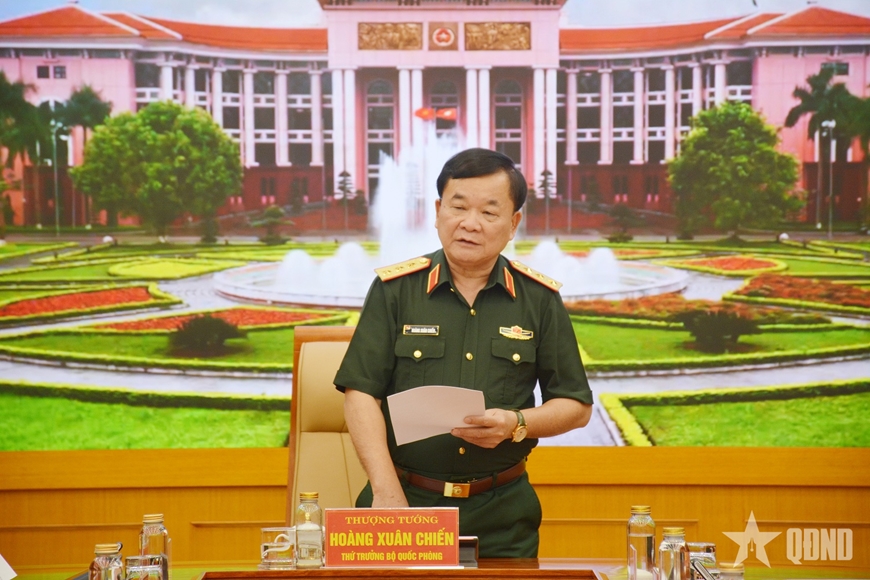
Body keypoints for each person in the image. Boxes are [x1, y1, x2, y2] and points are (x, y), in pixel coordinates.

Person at [334, 148, 593, 558]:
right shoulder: (394, 290)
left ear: (513, 224)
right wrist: (386, 492)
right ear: (438, 212)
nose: (470, 223)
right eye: (458, 207)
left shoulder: (539, 299)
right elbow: (360, 393)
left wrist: (517, 423)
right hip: (405, 501)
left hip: (502, 515)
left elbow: (576, 406)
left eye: (489, 213)